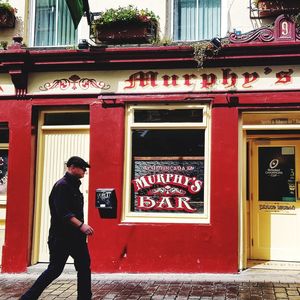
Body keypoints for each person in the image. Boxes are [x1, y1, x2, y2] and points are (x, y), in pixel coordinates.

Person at [21, 156, 94, 300]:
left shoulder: (74, 186)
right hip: (61, 238)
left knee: (84, 266)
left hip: (76, 238)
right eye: (82, 167)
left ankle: (85, 297)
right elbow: (64, 213)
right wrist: (81, 225)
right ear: (72, 167)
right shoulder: (62, 186)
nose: (85, 170)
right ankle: (28, 297)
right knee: (55, 270)